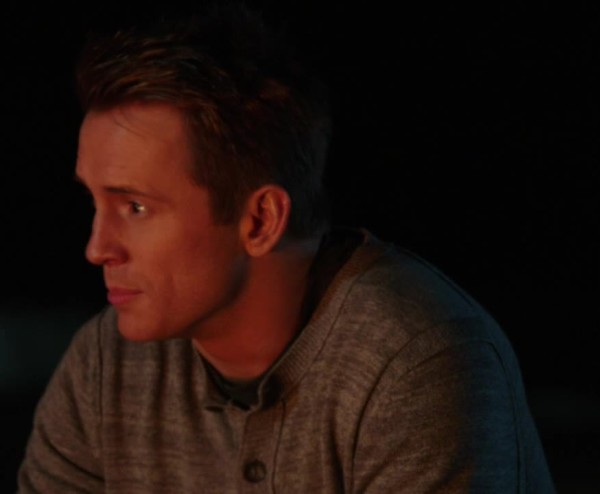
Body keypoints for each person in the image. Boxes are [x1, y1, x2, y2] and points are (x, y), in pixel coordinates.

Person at [17, 4, 555, 493]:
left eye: (135, 207)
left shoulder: (413, 364)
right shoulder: (104, 366)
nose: (97, 248)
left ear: (261, 221)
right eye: (94, 202)